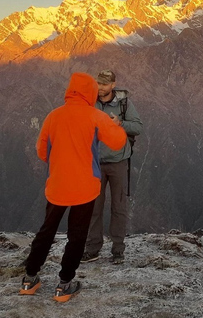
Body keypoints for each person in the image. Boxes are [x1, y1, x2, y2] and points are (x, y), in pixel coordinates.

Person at [19, 72, 127, 302]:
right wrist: (115, 125)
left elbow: (41, 151)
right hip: (84, 188)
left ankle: (29, 279)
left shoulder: (53, 116)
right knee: (76, 236)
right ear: (89, 92)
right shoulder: (96, 116)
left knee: (46, 231)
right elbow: (118, 142)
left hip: (57, 185)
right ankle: (64, 285)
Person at [81, 69, 143, 264]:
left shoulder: (124, 104)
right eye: (98, 84)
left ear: (113, 85)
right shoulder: (89, 102)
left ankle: (118, 250)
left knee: (118, 207)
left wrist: (120, 123)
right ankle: (93, 248)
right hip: (95, 163)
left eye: (105, 84)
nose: (101, 88)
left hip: (118, 162)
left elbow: (138, 127)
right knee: (94, 208)